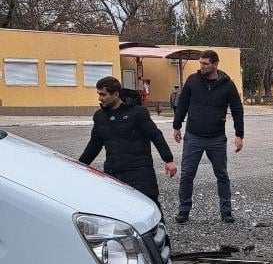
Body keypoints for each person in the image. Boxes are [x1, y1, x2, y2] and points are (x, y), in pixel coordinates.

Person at [79, 76, 177, 216]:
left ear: (116, 94)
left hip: (140, 172)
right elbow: (94, 144)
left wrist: (168, 159)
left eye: (103, 94)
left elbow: (155, 135)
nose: (100, 98)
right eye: (99, 94)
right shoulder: (100, 116)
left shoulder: (137, 113)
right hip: (113, 172)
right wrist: (80, 165)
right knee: (119, 213)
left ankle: (160, 237)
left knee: (150, 209)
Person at [172, 50, 244, 224]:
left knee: (222, 175)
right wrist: (177, 125)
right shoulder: (192, 81)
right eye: (200, 63)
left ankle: (226, 211)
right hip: (193, 137)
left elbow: (237, 110)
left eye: (205, 64)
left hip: (216, 138)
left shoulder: (227, 85)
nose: (201, 67)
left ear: (215, 64)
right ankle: (183, 210)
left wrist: (239, 134)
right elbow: (182, 104)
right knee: (187, 175)